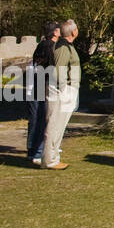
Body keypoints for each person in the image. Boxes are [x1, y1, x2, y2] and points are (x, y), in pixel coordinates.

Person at [41, 19, 81, 170]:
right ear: (73, 32)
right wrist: (64, 90)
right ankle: (49, 160)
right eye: (76, 28)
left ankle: (53, 157)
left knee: (59, 125)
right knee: (54, 125)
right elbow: (59, 69)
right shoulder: (63, 47)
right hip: (60, 91)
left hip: (66, 89)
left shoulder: (67, 46)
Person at [26, 21, 59, 164]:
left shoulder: (42, 45)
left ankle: (32, 151)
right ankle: (36, 153)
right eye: (58, 29)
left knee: (36, 118)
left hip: (35, 84)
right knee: (40, 119)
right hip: (41, 86)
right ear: (54, 32)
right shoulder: (50, 47)